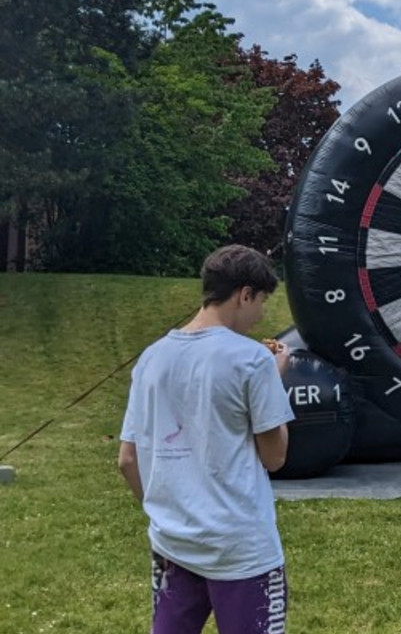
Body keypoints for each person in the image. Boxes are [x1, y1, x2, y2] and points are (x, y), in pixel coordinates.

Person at [117, 244, 294, 634]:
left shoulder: (151, 357)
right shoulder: (254, 360)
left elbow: (127, 460)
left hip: (172, 544)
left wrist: (168, 515)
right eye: (262, 301)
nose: (262, 313)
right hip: (241, 549)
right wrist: (274, 381)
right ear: (244, 294)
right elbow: (275, 456)